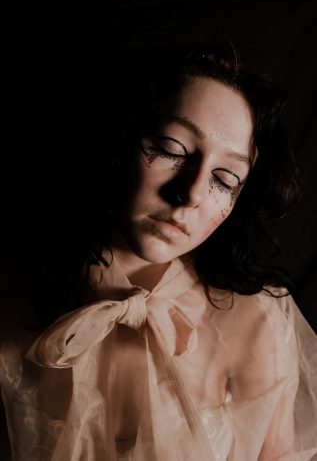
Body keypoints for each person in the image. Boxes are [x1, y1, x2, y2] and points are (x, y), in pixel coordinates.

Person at [0, 37, 316, 460]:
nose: (191, 193)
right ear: (121, 138)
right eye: (172, 149)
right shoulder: (10, 295)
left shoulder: (260, 321)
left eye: (225, 179)